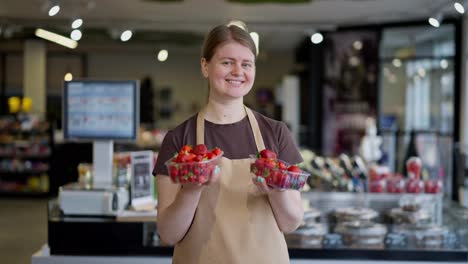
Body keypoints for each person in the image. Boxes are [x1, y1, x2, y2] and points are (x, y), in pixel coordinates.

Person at [152, 21, 304, 264]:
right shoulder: (179, 139)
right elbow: (169, 234)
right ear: (205, 66)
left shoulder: (275, 133)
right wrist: (191, 190)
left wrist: (277, 193)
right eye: (226, 62)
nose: (237, 71)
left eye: (246, 64)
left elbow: (291, 223)